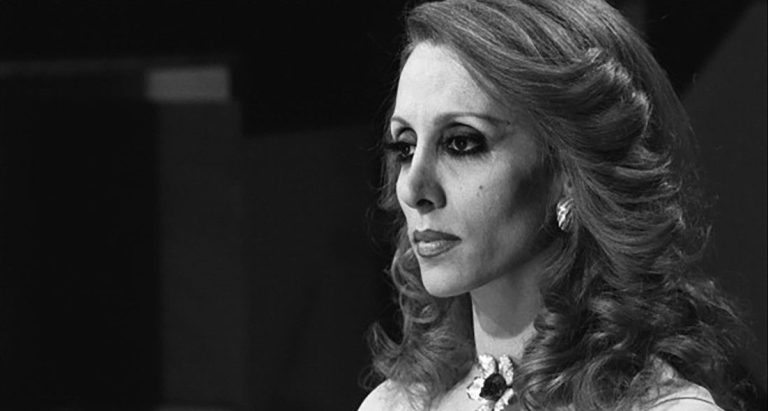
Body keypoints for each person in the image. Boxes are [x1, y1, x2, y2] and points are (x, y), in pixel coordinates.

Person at [358, 0, 758, 410]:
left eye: (461, 143)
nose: (414, 188)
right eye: (405, 147)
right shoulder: (393, 405)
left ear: (568, 170)